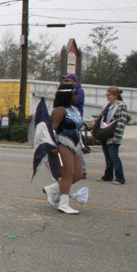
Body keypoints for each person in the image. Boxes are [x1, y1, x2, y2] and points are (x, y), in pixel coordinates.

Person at [42, 84, 85, 214]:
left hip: (75, 144)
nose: (76, 97)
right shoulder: (59, 111)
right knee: (68, 174)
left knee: (78, 174)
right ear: (66, 96)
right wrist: (52, 146)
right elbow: (52, 129)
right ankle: (64, 204)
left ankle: (52, 189)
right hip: (61, 144)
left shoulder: (74, 109)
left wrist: (83, 145)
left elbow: (77, 129)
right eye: (74, 95)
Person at [97, 86, 128, 185]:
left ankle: (120, 177)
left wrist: (117, 136)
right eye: (107, 94)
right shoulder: (107, 106)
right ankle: (108, 175)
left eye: (109, 95)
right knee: (107, 156)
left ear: (115, 96)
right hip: (105, 134)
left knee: (113, 155)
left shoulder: (121, 106)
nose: (107, 96)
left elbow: (122, 121)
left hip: (114, 135)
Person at [63, 74, 86, 178]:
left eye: (67, 80)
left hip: (74, 122)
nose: (65, 82)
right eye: (64, 80)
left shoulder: (79, 92)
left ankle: (82, 169)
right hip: (65, 121)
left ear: (73, 82)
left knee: (76, 144)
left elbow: (71, 102)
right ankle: (64, 167)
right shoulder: (65, 91)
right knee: (65, 145)